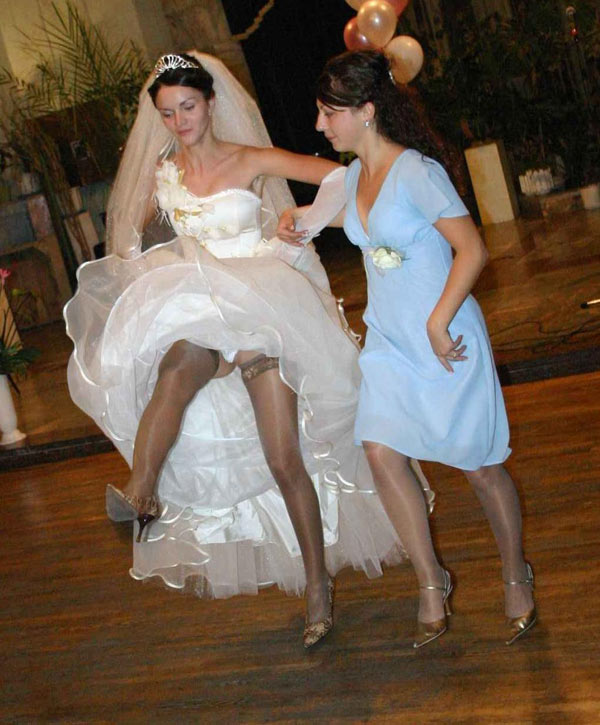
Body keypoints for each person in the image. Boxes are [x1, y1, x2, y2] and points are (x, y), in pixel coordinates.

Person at [64, 52, 433, 648]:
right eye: (168, 113)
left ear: (211, 103)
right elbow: (133, 238)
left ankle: (317, 583)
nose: (180, 121)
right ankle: (141, 491)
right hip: (203, 312)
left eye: (188, 107)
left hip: (262, 309)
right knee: (176, 367)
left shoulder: (250, 158)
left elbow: (343, 177)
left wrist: (304, 221)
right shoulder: (164, 174)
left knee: (283, 458)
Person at [278, 50, 536, 648]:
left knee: (480, 467)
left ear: (366, 111)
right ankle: (430, 581)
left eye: (328, 113)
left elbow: (472, 249)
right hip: (389, 342)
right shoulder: (349, 179)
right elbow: (322, 218)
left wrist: (439, 321)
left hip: (445, 340)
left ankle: (515, 572)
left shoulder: (418, 172)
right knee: (379, 450)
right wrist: (291, 221)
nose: (319, 125)